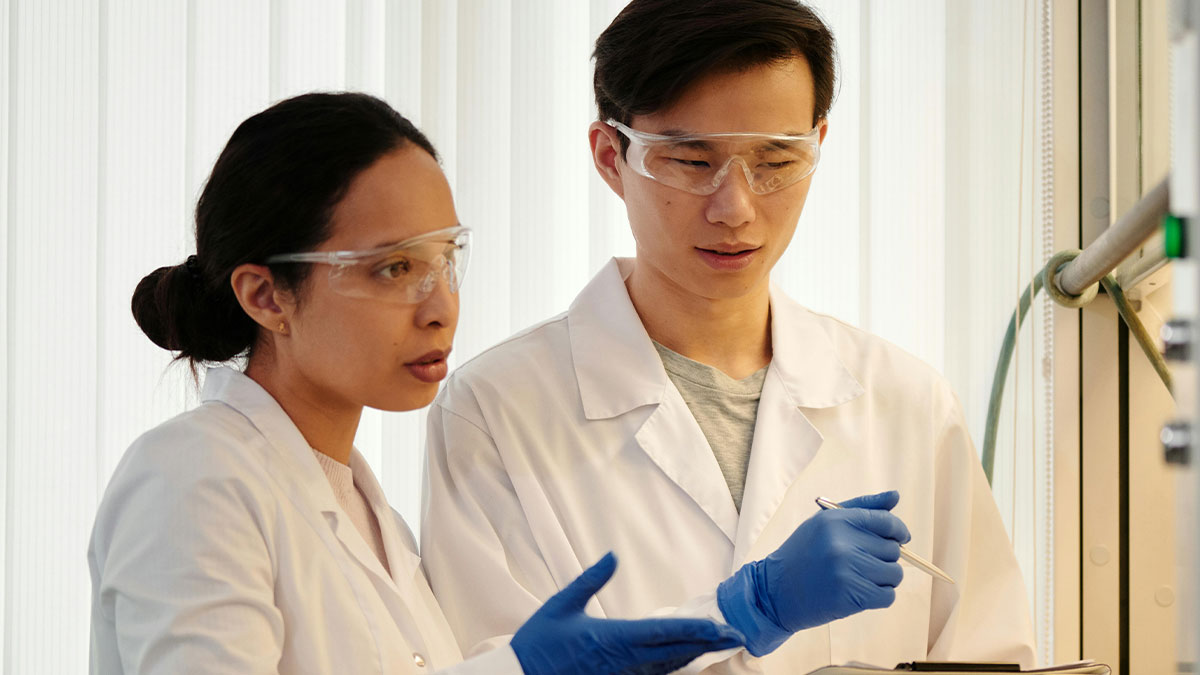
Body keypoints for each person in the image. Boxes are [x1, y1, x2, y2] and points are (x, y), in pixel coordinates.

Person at [420, 0, 1038, 672]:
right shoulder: (496, 412)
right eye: (691, 160)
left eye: (776, 160)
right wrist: (747, 610)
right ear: (609, 156)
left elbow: (987, 654)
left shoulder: (908, 404)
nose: (736, 208)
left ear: (817, 146)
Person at [88, 92, 744, 675]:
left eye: (446, 259)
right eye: (394, 268)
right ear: (266, 296)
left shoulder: (371, 517)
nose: (441, 307)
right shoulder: (194, 476)